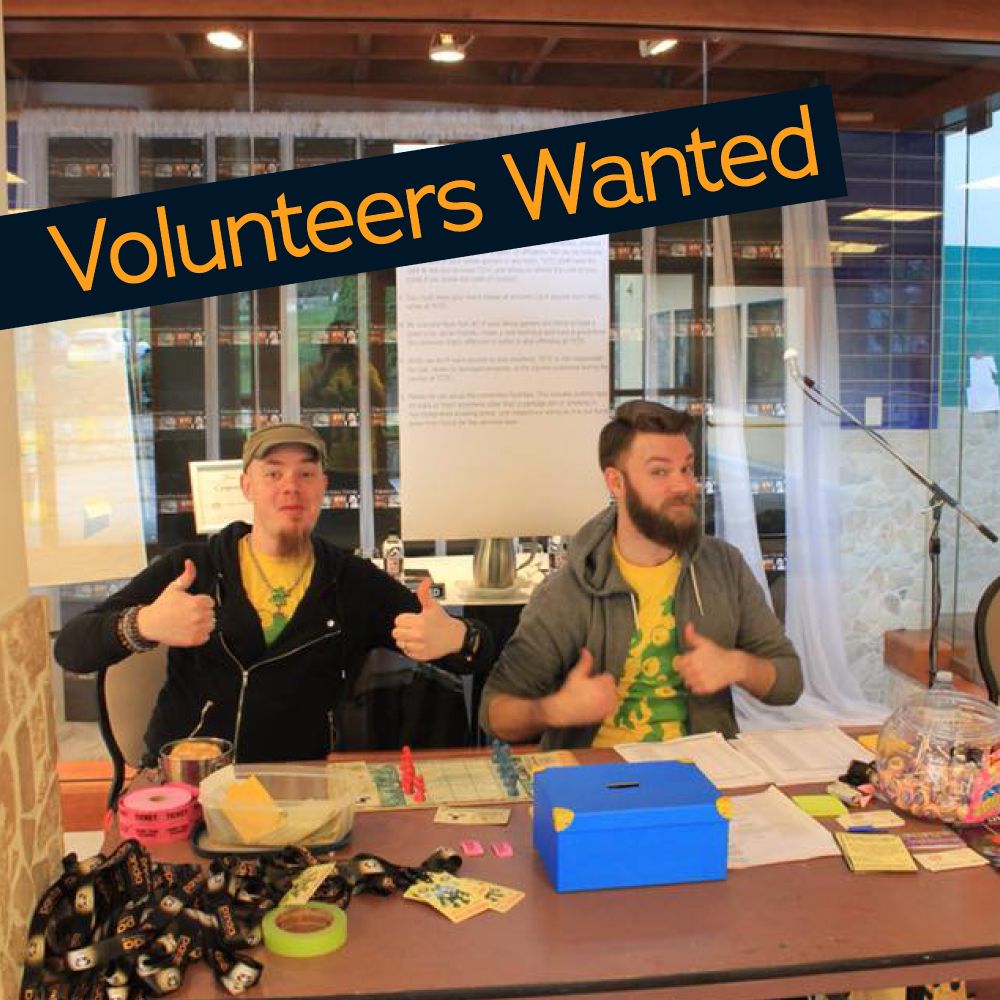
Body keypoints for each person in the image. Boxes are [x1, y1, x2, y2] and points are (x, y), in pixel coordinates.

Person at [55, 423, 492, 763]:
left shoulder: (352, 581)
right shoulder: (193, 568)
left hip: (302, 786)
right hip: (190, 782)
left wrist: (456, 638)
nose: (291, 486)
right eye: (273, 473)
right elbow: (73, 649)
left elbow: (481, 653)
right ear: (247, 485)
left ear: (323, 486)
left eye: (306, 473)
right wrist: (143, 624)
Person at [480, 400, 802, 749]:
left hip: (706, 773)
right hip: (601, 779)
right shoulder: (566, 591)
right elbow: (495, 713)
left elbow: (789, 681)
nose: (683, 486)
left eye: (687, 469)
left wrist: (740, 666)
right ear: (616, 483)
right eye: (660, 472)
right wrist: (552, 710)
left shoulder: (724, 566)